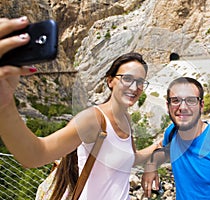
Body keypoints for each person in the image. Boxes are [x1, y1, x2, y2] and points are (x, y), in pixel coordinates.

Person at [0, 17, 162, 199]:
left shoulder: (126, 120)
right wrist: (5, 106)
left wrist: (158, 147)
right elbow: (36, 154)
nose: (134, 87)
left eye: (140, 82)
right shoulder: (93, 120)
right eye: (127, 79)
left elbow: (130, 157)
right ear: (110, 81)